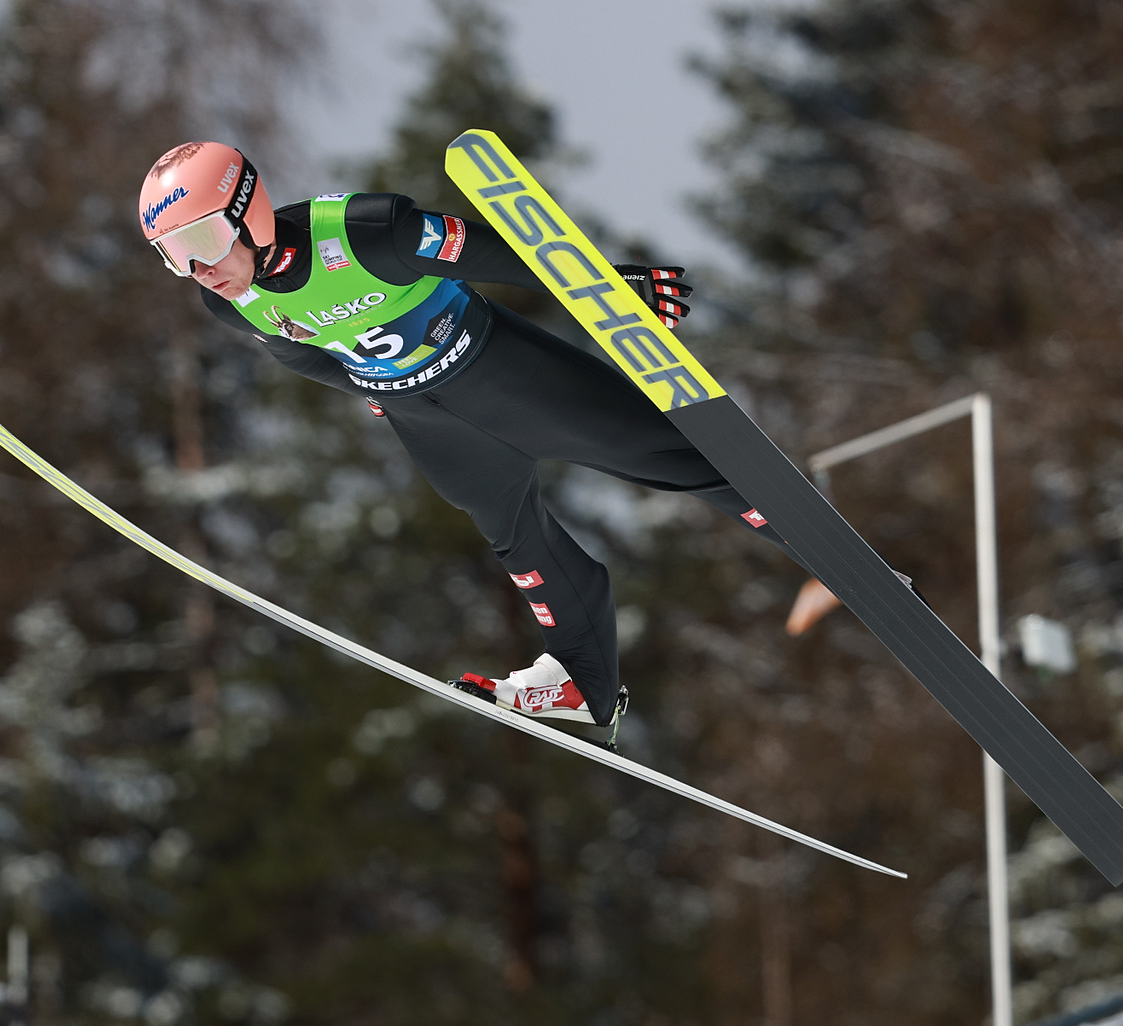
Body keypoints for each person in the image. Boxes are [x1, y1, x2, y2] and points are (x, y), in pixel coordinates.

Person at [137, 141, 815, 734]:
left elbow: (509, 252)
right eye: (173, 257)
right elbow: (302, 353)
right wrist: (370, 388)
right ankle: (586, 684)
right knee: (518, 538)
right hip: (428, 421)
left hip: (501, 374)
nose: (197, 271)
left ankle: (824, 550)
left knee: (665, 457)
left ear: (247, 213)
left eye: (200, 244)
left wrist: (614, 285)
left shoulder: (367, 232)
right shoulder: (229, 302)